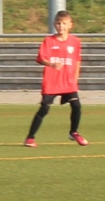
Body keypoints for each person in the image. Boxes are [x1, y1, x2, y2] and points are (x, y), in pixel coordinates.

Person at [24, 10, 89, 148]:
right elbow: (40, 58)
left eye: (64, 23)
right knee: (44, 109)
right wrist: (51, 64)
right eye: (58, 23)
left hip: (68, 82)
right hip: (52, 82)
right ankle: (30, 137)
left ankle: (74, 132)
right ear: (54, 24)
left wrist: (75, 78)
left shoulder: (75, 41)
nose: (61, 26)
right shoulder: (49, 41)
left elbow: (77, 60)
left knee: (76, 106)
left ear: (70, 25)